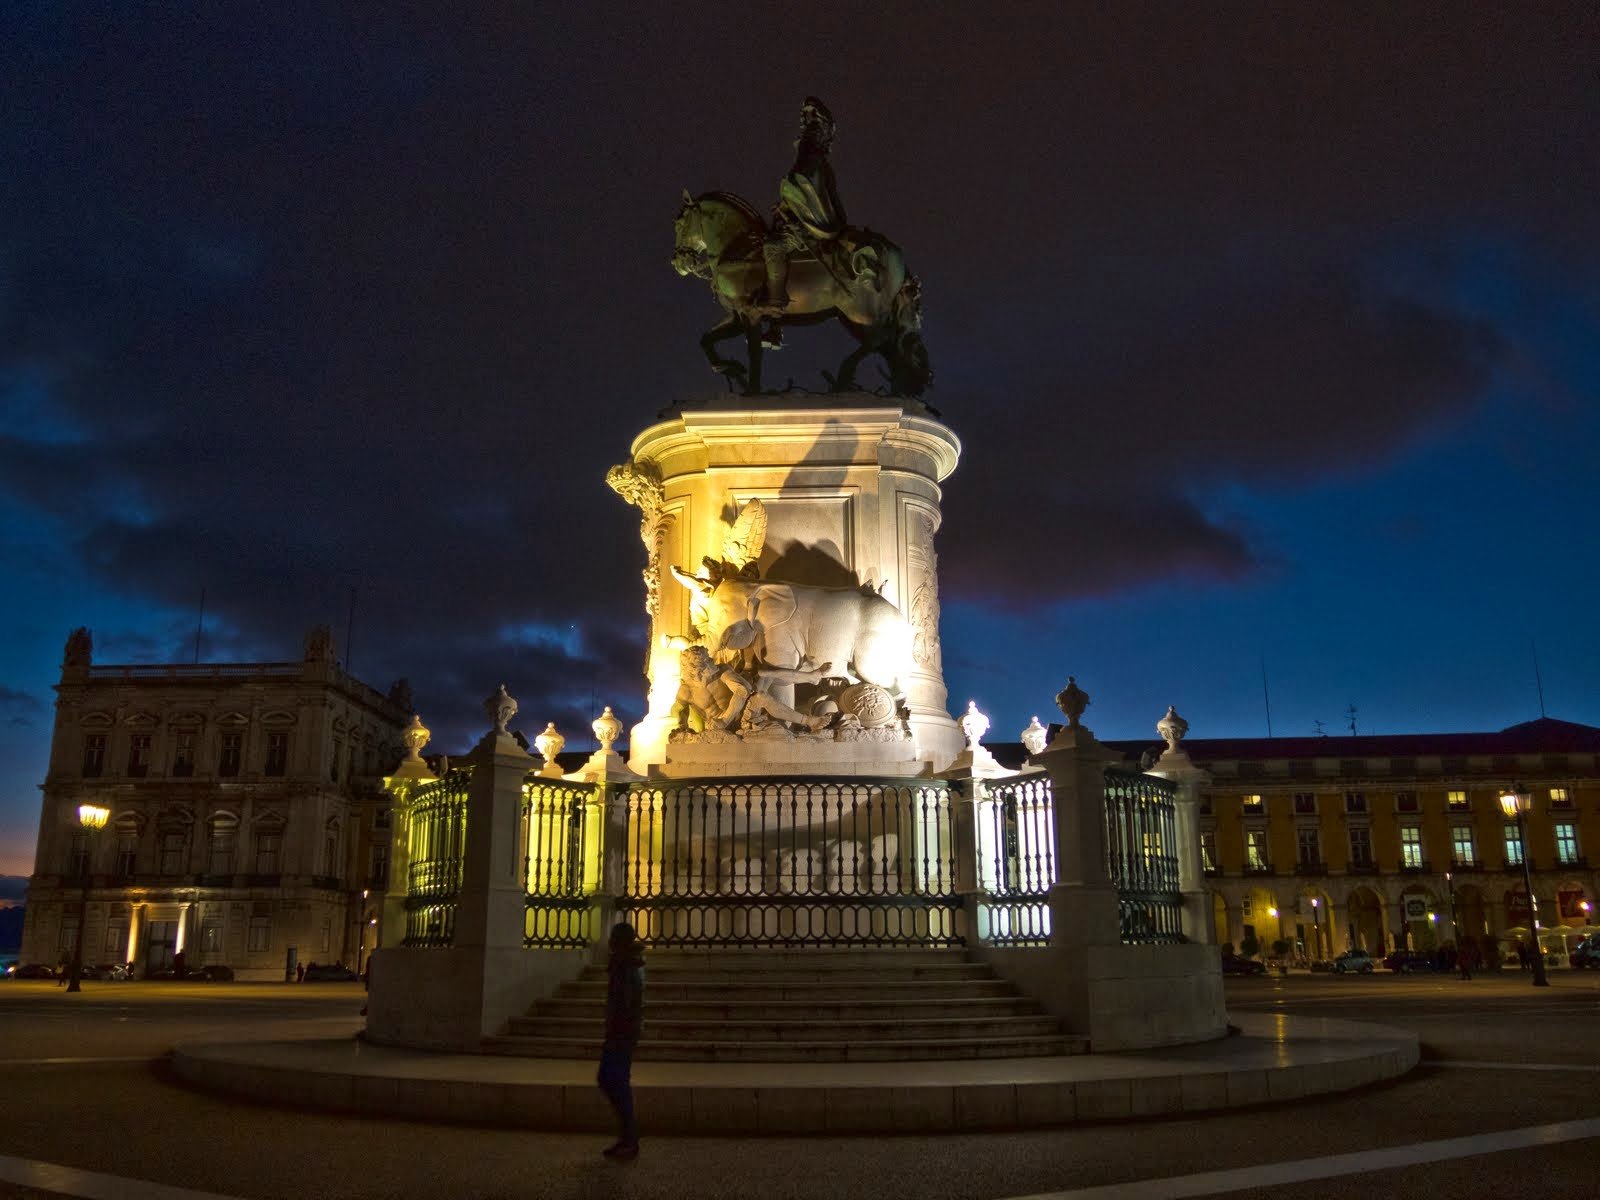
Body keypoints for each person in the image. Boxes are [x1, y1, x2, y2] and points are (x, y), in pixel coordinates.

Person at [597, 922, 644, 1162]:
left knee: (610, 1079)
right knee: (615, 1081)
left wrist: (616, 1033)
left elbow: (624, 1005)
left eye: (613, 938)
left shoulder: (625, 968)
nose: (609, 942)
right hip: (622, 1034)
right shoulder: (626, 966)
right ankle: (628, 1136)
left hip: (620, 1035)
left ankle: (629, 1136)